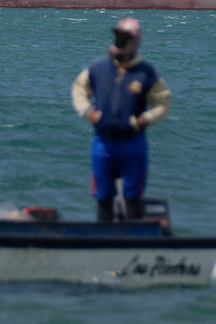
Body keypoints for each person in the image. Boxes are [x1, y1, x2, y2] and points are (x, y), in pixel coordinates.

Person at [71, 17, 172, 222]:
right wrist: (88, 112)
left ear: (135, 42)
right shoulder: (98, 68)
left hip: (132, 144)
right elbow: (79, 89)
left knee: (132, 197)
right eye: (117, 36)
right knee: (103, 197)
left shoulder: (146, 73)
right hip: (103, 144)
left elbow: (163, 102)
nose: (119, 41)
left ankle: (135, 243)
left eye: (125, 38)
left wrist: (143, 120)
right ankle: (104, 244)